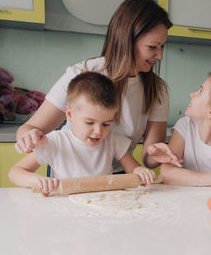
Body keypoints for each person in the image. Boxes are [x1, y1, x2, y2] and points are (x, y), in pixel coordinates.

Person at [15, 0, 181, 172]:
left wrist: (156, 154)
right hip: (70, 174)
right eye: (153, 47)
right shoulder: (81, 74)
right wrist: (28, 137)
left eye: (162, 47)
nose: (160, 55)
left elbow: (148, 158)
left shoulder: (157, 89)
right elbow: (30, 128)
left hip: (116, 176)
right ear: (127, 40)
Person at [9, 72, 156, 196]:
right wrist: (35, 180)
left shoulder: (113, 141)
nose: (99, 131)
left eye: (106, 124)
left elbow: (133, 170)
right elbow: (16, 172)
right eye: (90, 123)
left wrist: (140, 171)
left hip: (103, 207)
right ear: (70, 114)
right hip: (65, 210)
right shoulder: (56, 142)